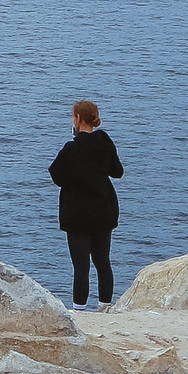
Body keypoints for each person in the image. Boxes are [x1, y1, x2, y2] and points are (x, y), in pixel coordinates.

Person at [47, 98, 123, 310]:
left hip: (78, 214)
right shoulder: (104, 142)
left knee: (81, 266)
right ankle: (105, 307)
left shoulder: (72, 148)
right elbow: (117, 172)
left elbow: (57, 176)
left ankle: (79, 310)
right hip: (104, 211)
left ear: (78, 118)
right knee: (103, 262)